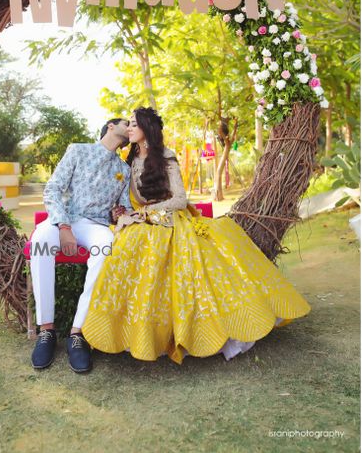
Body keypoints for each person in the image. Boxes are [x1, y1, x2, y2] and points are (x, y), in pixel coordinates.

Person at [81, 107, 311, 366]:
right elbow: (127, 199)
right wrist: (122, 212)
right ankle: (130, 332)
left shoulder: (166, 156)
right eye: (129, 125)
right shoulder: (129, 160)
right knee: (127, 245)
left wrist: (147, 212)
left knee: (189, 259)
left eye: (134, 124)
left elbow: (179, 200)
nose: (130, 129)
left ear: (147, 129)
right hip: (143, 223)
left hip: (170, 219)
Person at [30, 117, 131, 373]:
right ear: (110, 126)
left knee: (107, 245)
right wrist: (63, 227)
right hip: (65, 220)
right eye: (126, 122)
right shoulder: (78, 150)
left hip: (95, 226)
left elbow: (124, 209)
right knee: (40, 241)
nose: (130, 127)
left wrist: (118, 214)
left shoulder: (124, 169)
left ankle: (78, 333)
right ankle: (46, 331)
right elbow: (52, 189)